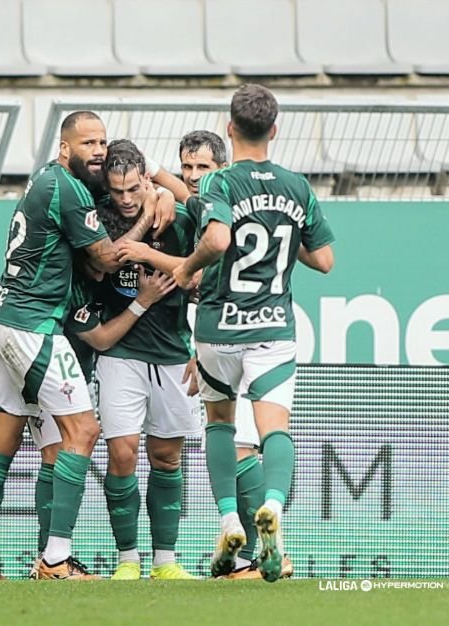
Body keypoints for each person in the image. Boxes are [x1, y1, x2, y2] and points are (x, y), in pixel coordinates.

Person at [0, 111, 177, 581]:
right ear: (64, 148)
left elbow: (93, 264)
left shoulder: (49, 180)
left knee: (7, 438)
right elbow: (103, 259)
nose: (98, 151)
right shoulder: (68, 187)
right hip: (31, 324)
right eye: (88, 143)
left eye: (102, 142)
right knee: (84, 432)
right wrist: (141, 219)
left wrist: (156, 187)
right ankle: (55, 560)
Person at [171, 84, 336, 583]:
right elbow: (325, 260)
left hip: (219, 328)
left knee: (219, 424)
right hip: (272, 327)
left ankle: (227, 520)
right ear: (275, 130)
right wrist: (284, 237)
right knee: (273, 431)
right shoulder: (296, 186)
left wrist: (187, 267)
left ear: (229, 128)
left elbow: (218, 238)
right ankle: (274, 509)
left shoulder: (220, 182)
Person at [123, 130, 293, 579]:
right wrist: (157, 180)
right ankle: (254, 555)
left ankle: (258, 551)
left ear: (223, 167)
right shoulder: (209, 201)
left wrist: (146, 252)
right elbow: (183, 193)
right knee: (239, 446)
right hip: (236, 334)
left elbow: (197, 279)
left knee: (236, 441)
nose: (194, 177)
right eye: (188, 167)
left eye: (203, 168)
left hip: (245, 335)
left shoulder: (223, 207)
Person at [24, 257, 177, 579]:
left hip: (68, 379)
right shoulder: (71, 290)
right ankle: (48, 560)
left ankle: (47, 561)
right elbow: (103, 339)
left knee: (56, 455)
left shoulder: (93, 287)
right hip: (46, 371)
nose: (106, 263)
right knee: (54, 456)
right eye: (96, 255)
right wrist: (143, 300)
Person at [93, 140, 198, 581]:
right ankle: (127, 560)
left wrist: (167, 194)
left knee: (167, 457)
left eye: (134, 188)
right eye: (117, 191)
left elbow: (199, 272)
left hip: (173, 350)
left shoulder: (179, 215)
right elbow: (107, 260)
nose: (126, 198)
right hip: (122, 352)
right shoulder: (97, 213)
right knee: (122, 452)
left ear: (146, 178)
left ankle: (165, 561)